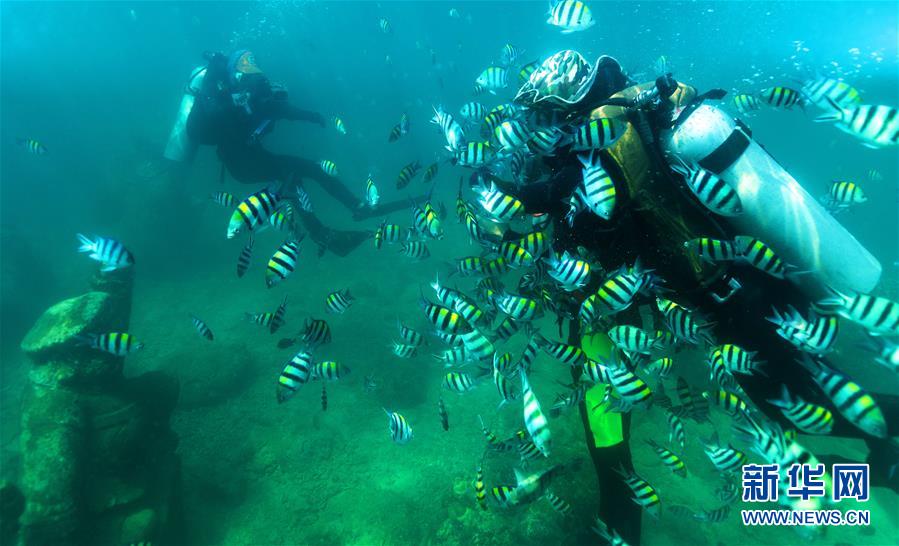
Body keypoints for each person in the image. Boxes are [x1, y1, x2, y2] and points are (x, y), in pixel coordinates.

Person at [503, 50, 898, 545]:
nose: (540, 131)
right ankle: (882, 466)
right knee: (796, 406)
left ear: (568, 108)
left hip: (740, 296)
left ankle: (882, 462)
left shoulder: (610, 140)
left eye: (545, 117)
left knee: (804, 404)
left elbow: (600, 230)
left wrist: (511, 197)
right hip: (743, 289)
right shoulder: (641, 117)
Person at [165, 50, 410, 256]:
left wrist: (313, 117)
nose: (251, 70)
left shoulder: (257, 96)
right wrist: (237, 100)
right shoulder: (220, 98)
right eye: (245, 65)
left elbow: (285, 111)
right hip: (240, 166)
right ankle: (319, 232)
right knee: (292, 176)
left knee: (313, 169)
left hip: (256, 157)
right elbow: (210, 119)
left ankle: (356, 205)